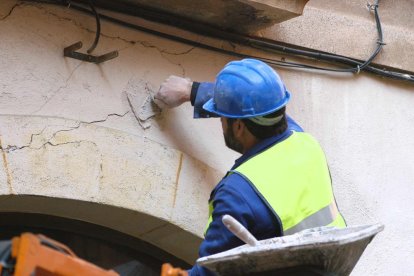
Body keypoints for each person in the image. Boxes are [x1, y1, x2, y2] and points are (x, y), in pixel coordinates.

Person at [155, 59, 346, 276]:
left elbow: (209, 272)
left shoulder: (237, 193)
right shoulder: (305, 143)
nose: (220, 122)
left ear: (238, 126)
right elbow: (264, 106)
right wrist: (191, 91)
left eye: (222, 118)